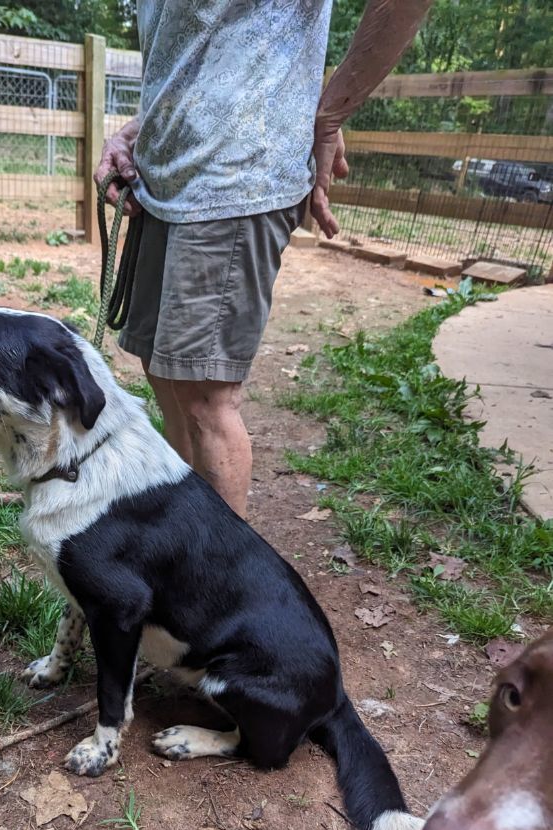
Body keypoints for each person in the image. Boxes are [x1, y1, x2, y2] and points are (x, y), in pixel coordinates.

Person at [95, 0, 434, 517]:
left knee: (205, 398)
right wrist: (140, 129)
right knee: (165, 374)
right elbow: (201, 47)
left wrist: (329, 115)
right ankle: (178, 550)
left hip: (234, 180)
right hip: (163, 182)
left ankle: (219, 589)